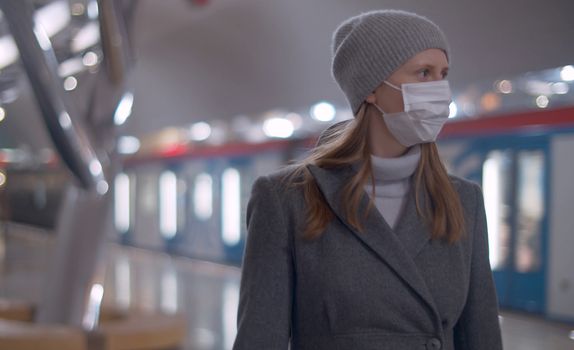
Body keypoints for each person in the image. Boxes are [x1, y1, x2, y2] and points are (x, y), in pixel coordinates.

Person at [233, 9, 503, 350]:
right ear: (372, 87)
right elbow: (259, 338)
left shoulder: (464, 201)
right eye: (423, 73)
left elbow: (482, 336)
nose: (440, 90)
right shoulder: (288, 198)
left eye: (443, 74)